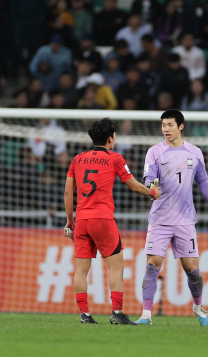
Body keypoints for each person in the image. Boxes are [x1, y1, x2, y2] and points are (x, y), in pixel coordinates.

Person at [64, 118, 162, 324]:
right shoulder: (115, 158)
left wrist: (70, 222)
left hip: (81, 219)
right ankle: (116, 313)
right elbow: (134, 186)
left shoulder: (77, 159)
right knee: (115, 266)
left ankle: (85, 315)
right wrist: (152, 192)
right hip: (102, 219)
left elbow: (67, 192)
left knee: (81, 270)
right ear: (110, 138)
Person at [137, 109, 208, 327]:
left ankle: (198, 307)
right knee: (152, 264)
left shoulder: (194, 152)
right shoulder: (154, 152)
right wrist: (150, 186)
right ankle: (146, 315)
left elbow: (203, 181)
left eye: (170, 125)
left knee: (192, 270)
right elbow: (149, 176)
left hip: (185, 220)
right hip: (160, 219)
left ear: (181, 126)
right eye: (163, 125)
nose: (166, 129)